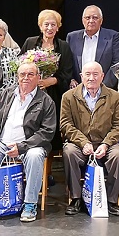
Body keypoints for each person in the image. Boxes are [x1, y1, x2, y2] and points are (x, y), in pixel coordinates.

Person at [0, 62, 56, 222]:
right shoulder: (7, 94)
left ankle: (30, 205)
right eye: (22, 74)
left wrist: (22, 147)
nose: (26, 78)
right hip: (2, 142)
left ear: (38, 77)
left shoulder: (46, 101)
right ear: (17, 77)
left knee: (35, 156)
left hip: (30, 145)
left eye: (30, 74)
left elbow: (47, 132)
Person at [61, 62, 119, 217]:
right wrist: (83, 142)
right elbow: (65, 124)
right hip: (79, 144)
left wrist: (106, 144)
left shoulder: (115, 97)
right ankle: (76, 198)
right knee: (69, 152)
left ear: (102, 76)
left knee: (118, 155)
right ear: (81, 76)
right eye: (88, 74)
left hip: (107, 143)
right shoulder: (68, 96)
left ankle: (111, 200)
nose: (91, 78)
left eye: (96, 74)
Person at [20, 9, 74, 150]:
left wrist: (51, 81)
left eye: (53, 25)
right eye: (46, 24)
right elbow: (20, 65)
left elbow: (67, 72)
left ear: (58, 27)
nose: (49, 28)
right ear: (40, 26)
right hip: (30, 93)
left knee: (50, 125)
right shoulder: (30, 42)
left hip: (54, 94)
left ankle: (50, 157)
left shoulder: (63, 46)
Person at [66, 5, 119, 89]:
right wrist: (71, 79)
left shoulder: (113, 37)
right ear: (82, 20)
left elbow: (118, 64)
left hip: (104, 90)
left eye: (95, 18)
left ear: (101, 21)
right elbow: (67, 63)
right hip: (77, 89)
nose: (91, 21)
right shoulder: (72, 37)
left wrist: (102, 87)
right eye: (87, 18)